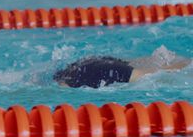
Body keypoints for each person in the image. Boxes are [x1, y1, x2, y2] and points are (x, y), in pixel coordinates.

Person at [53, 48, 191, 88]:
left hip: (92, 66)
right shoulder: (67, 81)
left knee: (162, 69)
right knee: (163, 69)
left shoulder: (64, 78)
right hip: (99, 66)